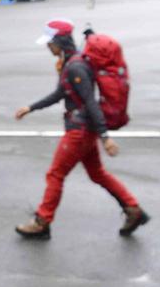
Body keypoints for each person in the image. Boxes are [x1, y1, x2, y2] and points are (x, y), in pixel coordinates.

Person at [13, 20, 149, 240]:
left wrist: (105, 136)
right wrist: (31, 108)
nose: (48, 47)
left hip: (80, 130)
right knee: (97, 174)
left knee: (55, 174)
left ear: (61, 41)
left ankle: (42, 221)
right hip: (85, 129)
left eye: (50, 43)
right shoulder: (70, 63)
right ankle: (133, 209)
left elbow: (89, 102)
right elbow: (60, 93)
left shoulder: (76, 67)